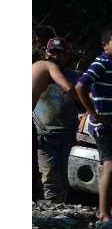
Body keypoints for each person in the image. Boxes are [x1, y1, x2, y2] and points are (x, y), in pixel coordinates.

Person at [76, 29, 112, 225]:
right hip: (104, 125)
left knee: (107, 165)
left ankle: (103, 211)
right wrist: (93, 113)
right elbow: (80, 86)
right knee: (110, 165)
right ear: (105, 46)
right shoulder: (101, 63)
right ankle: (105, 214)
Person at [33, 38, 79, 202]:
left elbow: (82, 97)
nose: (57, 56)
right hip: (44, 132)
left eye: (61, 53)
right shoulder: (44, 70)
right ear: (47, 53)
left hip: (68, 133)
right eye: (53, 52)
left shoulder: (75, 77)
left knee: (66, 176)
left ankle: (59, 209)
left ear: (67, 55)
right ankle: (51, 209)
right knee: (49, 176)